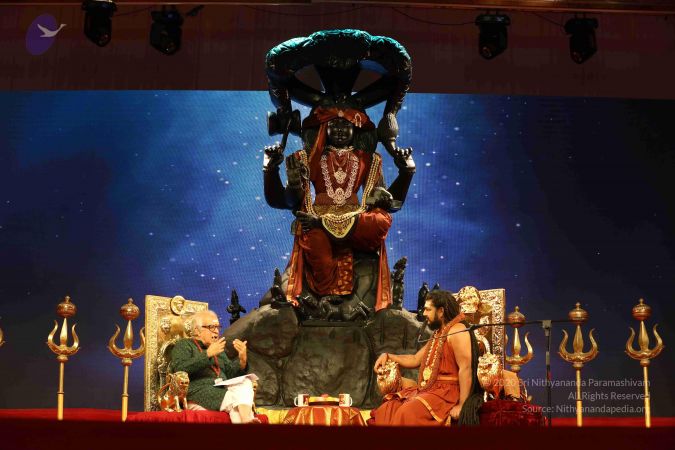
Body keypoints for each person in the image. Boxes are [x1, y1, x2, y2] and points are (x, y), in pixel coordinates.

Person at [264, 106, 413, 312]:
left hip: (354, 220)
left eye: (346, 125)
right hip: (316, 218)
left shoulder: (369, 159)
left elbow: (386, 202)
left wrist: (407, 171)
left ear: (355, 129)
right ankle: (326, 301)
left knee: (380, 219)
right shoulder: (307, 157)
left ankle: (324, 226)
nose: (340, 130)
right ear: (323, 128)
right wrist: (271, 169)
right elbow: (285, 200)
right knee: (314, 241)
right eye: (334, 125)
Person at [369, 290, 483, 426]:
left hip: (446, 395)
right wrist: (388, 356)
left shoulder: (457, 330)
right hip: (429, 391)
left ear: (441, 311)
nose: (424, 313)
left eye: (428, 309)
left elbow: (466, 368)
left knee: (407, 412)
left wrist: (462, 405)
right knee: (388, 408)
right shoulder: (438, 333)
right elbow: (415, 359)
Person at [170, 310, 258, 423]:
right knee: (236, 399)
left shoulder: (218, 349)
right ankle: (247, 419)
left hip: (222, 388)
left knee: (245, 382)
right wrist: (207, 354)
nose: (216, 331)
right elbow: (180, 368)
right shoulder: (184, 345)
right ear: (197, 330)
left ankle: (246, 421)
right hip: (198, 391)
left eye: (217, 327)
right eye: (211, 327)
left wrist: (242, 361)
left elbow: (231, 374)